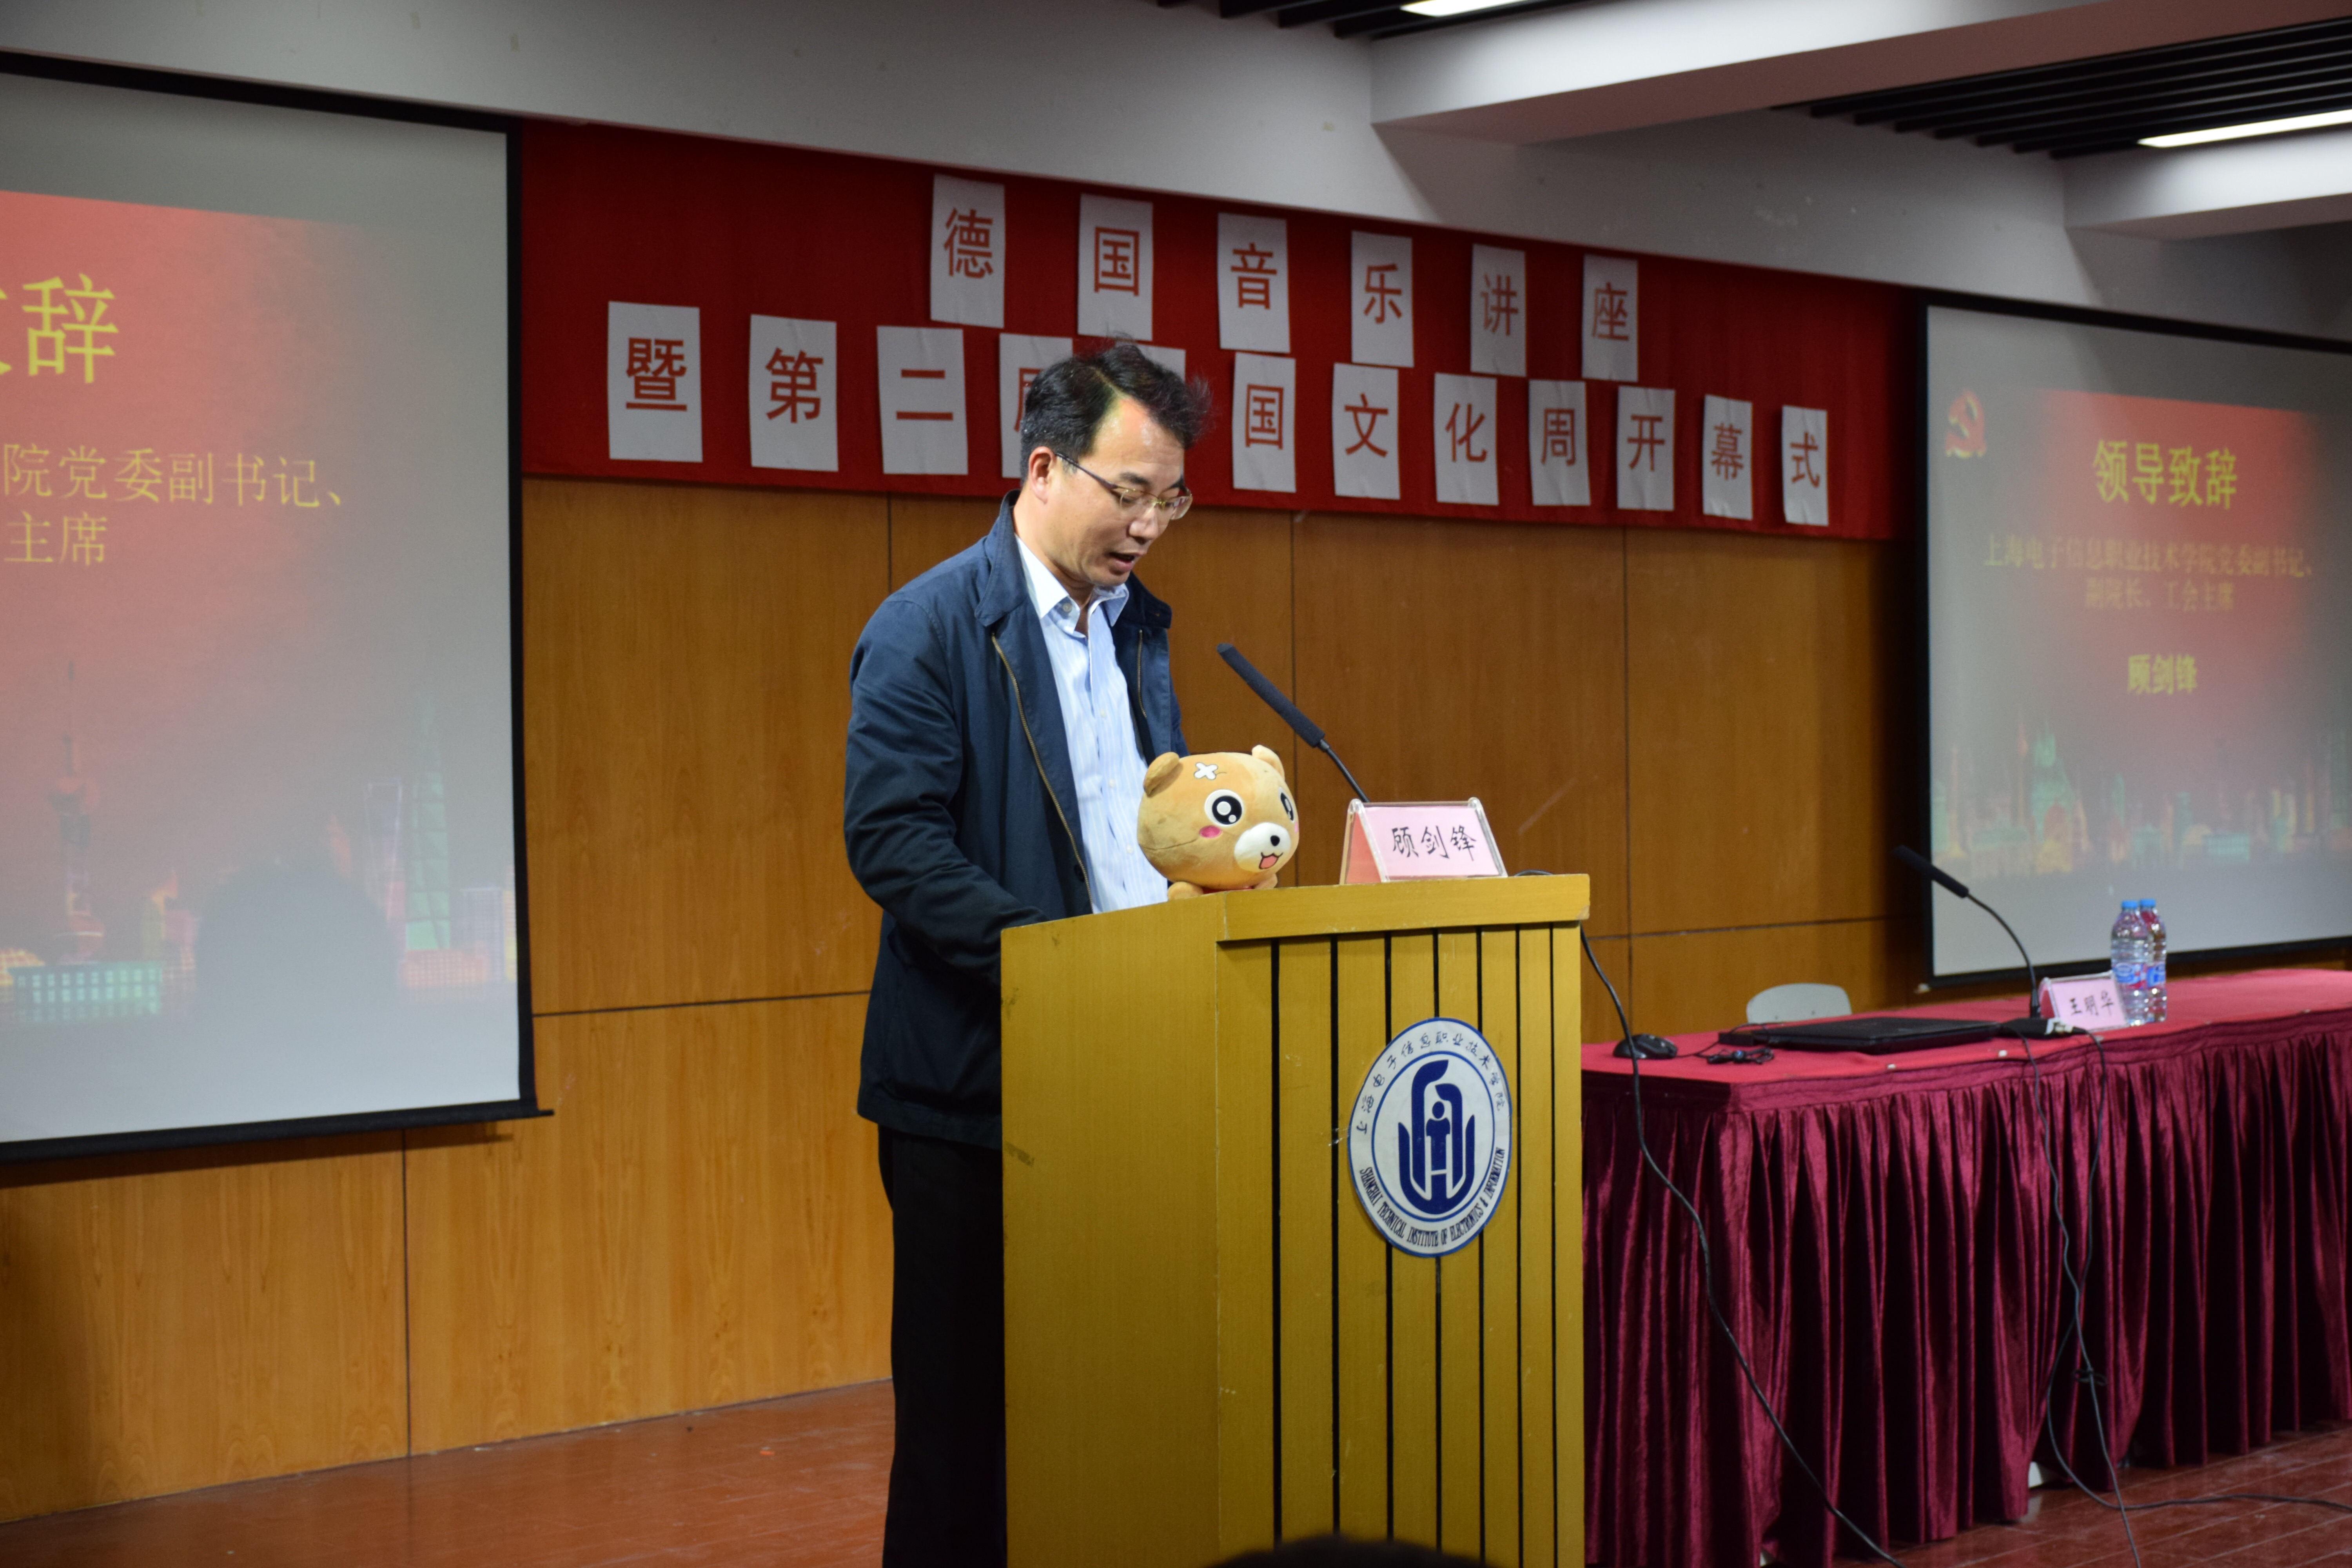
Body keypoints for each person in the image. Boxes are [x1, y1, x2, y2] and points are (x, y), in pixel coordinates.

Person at [842, 342, 1208, 1566]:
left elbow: (1133, 839)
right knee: (963, 1444)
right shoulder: (929, 627)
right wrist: (1060, 969)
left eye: (1171, 500)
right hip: (973, 1093)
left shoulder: (1138, 632)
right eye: (1130, 492)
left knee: (1100, 1411)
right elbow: (894, 843)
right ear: (1044, 469)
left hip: (1125, 1081)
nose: (1149, 525)